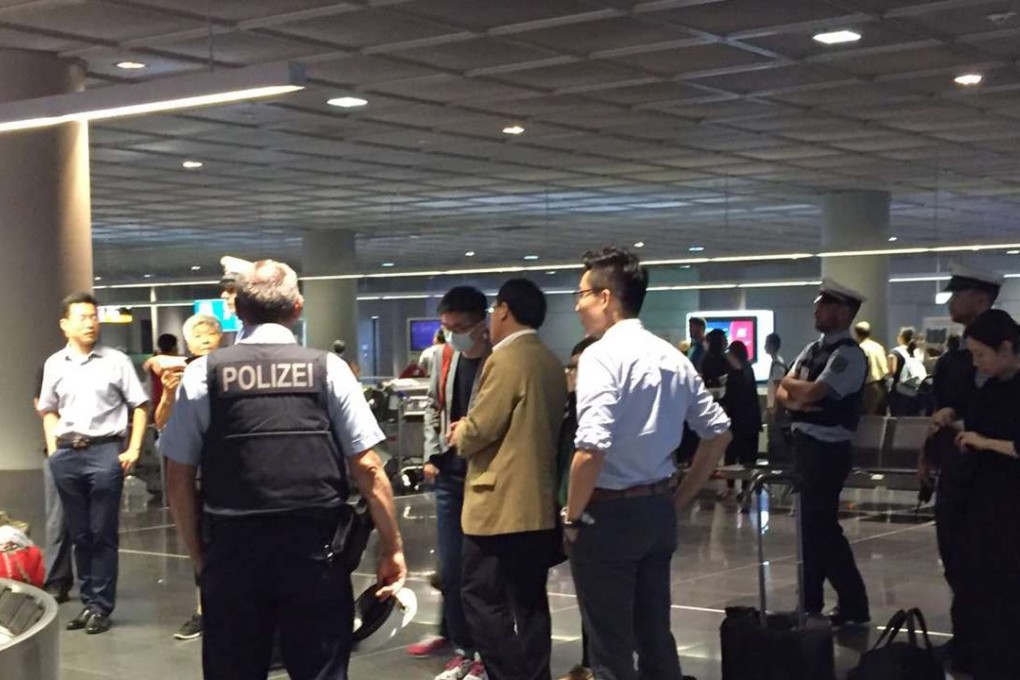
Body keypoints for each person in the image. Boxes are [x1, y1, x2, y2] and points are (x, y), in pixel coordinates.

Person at [159, 260, 407, 680]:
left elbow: (177, 475)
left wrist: (200, 557)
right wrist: (392, 546)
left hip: (233, 550)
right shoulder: (328, 370)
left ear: (238, 310)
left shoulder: (206, 373)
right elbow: (367, 466)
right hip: (313, 551)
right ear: (298, 308)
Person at [565, 247, 732, 680]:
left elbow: (591, 447)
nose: (576, 304)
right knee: (656, 635)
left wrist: (572, 515)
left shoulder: (602, 356)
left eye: (581, 293)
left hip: (609, 513)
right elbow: (719, 433)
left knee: (610, 646)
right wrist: (680, 496)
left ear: (605, 297)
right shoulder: (672, 356)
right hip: (658, 510)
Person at [450, 278, 566, 680]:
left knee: (479, 597)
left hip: (497, 505)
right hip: (537, 503)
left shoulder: (505, 359)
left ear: (502, 310)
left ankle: (508, 674)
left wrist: (460, 432)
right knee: (530, 601)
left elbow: (484, 427)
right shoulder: (550, 361)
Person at [37, 292, 149, 634]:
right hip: (68, 453)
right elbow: (48, 408)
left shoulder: (115, 360)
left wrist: (133, 449)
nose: (90, 322)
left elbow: (140, 405)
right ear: (65, 325)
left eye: (94, 316)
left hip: (105, 452)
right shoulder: (55, 363)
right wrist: (54, 448)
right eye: (83, 317)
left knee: (102, 533)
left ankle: (102, 605)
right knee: (79, 533)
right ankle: (88, 602)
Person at [920, 264, 1003, 674]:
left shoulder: (1007, 356)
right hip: (956, 473)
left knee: (990, 566)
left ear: (982, 300)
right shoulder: (954, 360)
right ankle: (965, 641)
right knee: (956, 561)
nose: (951, 303)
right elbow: (943, 409)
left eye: (959, 295)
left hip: (994, 479)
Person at [406, 286, 490, 680]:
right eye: (446, 327)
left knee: (482, 570)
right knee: (452, 567)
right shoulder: (444, 356)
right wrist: (431, 453)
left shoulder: (498, 359)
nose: (453, 334)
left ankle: (484, 648)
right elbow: (433, 405)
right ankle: (461, 645)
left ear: (481, 323)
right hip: (450, 476)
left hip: (485, 477)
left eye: (460, 326)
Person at [777, 279, 870, 629]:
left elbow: (814, 392)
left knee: (822, 529)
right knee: (810, 530)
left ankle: (853, 604)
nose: (816, 310)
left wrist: (800, 396)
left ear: (843, 312)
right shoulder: (814, 349)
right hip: (804, 446)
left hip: (828, 450)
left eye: (825, 305)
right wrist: (798, 397)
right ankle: (811, 603)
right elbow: (783, 389)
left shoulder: (847, 354)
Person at [947, 309, 1020, 679]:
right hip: (985, 497)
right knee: (980, 582)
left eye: (981, 354)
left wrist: (986, 442)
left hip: (1010, 503)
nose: (977, 362)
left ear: (1006, 347)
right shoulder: (992, 387)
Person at [154, 314, 224, 641]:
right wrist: (169, 394)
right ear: (188, 342)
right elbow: (162, 423)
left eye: (212, 332)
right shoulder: (182, 373)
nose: (206, 338)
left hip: (225, 469)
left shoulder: (228, 370)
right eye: (198, 334)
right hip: (192, 470)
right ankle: (204, 608)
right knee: (198, 538)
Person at [557, 337, 597, 680]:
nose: (570, 373)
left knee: (601, 603)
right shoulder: (568, 409)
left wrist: (572, 516)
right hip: (571, 512)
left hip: (594, 516)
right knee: (588, 599)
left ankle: (597, 666)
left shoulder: (595, 413)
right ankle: (589, 664)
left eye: (576, 367)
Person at [34, 368, 73, 603]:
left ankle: (96, 588)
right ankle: (57, 580)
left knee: (95, 525)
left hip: (94, 452)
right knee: (57, 521)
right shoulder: (52, 367)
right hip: (59, 451)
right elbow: (42, 406)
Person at [719, 341, 762, 508]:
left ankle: (730, 488)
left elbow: (730, 399)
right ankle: (746, 489)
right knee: (748, 458)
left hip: (737, 423)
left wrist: (715, 401)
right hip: (751, 423)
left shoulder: (734, 375)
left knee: (732, 455)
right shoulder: (748, 370)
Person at [764, 332, 791, 465]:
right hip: (774, 406)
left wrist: (774, 406)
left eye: (767, 343)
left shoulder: (777, 365)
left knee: (775, 437)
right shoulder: (777, 363)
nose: (765, 346)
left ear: (773, 345)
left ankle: (777, 464)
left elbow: (777, 386)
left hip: (775, 407)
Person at [853, 321, 889, 415]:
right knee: (880, 419)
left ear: (856, 333)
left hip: (868, 387)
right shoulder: (878, 346)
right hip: (882, 385)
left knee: (868, 419)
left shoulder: (860, 349)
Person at [888, 326, 926, 416]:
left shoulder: (894, 352)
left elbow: (892, 371)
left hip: (899, 391)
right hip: (915, 389)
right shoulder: (918, 352)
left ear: (901, 337)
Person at [143, 334, 182, 416]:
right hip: (177, 406)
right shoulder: (181, 364)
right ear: (174, 348)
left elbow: (148, 388)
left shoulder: (153, 362)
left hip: (158, 406)